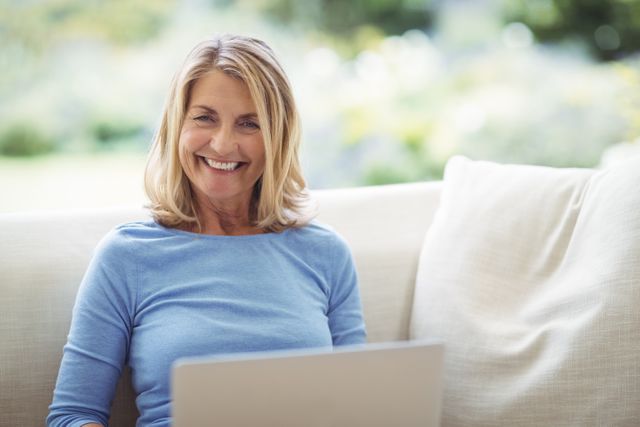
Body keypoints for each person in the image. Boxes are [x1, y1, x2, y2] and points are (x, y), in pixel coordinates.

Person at [47, 34, 366, 427]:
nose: (223, 143)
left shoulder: (326, 254)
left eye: (249, 124)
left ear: (277, 138)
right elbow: (72, 416)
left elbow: (357, 407)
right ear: (176, 125)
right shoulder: (127, 255)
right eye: (204, 118)